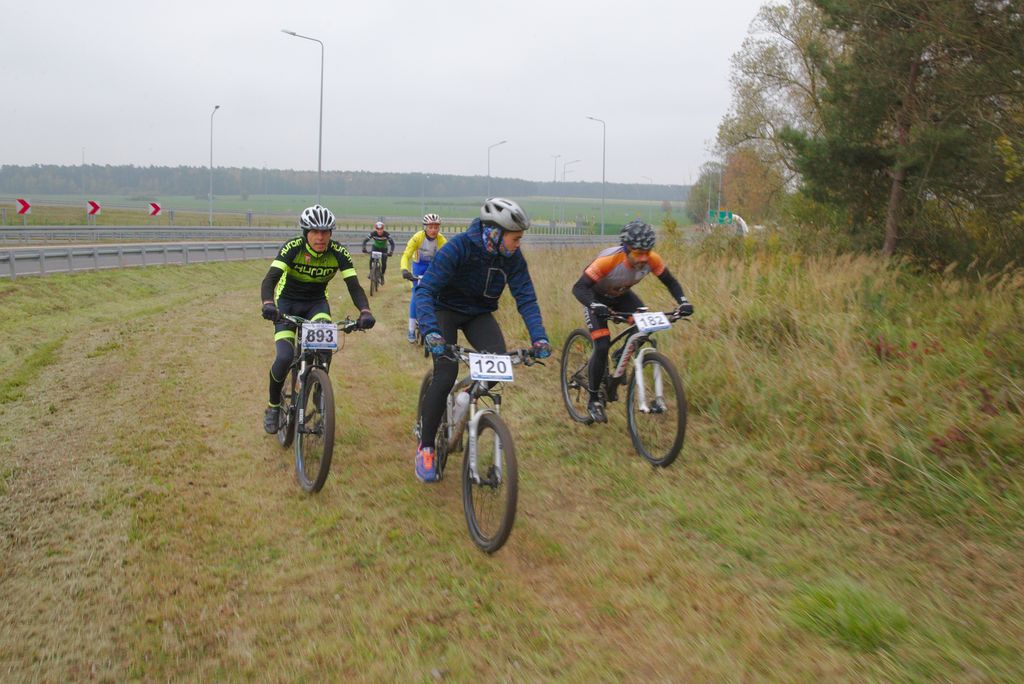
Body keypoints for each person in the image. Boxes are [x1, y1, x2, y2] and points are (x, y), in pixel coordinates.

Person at [413, 198, 552, 482]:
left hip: (478, 315)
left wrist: (539, 338)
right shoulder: (458, 248)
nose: (519, 244)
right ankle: (426, 447)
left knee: (498, 366)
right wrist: (431, 331)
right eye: (515, 238)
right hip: (444, 310)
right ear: (495, 233)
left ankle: (465, 397)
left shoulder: (512, 258)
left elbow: (526, 298)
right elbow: (425, 291)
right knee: (446, 373)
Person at [259, 204, 376, 433]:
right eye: (315, 232)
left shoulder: (339, 253)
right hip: (287, 303)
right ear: (306, 233)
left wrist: (365, 310)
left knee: (324, 349)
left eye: (325, 232)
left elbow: (354, 286)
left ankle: (320, 390)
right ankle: (273, 407)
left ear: (331, 233)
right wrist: (268, 304)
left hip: (316, 304)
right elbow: (270, 279)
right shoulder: (293, 247)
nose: (320, 237)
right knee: (284, 357)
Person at [571, 219, 693, 423]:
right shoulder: (609, 261)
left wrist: (683, 302)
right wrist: (594, 305)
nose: (643, 258)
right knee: (601, 345)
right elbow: (579, 288)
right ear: (626, 248)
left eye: (647, 252)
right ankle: (593, 400)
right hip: (595, 298)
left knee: (645, 327)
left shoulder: (652, 259)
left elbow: (670, 282)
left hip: (621, 296)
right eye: (638, 253)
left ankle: (620, 355)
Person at [400, 213, 448, 343]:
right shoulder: (418, 237)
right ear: (425, 227)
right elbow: (406, 255)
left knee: (436, 295)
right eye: (430, 227)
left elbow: (448, 257)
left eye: (436, 227)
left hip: (431, 266)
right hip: (418, 267)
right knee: (416, 295)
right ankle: (411, 329)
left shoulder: (441, 239)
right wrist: (404, 270)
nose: (433, 230)